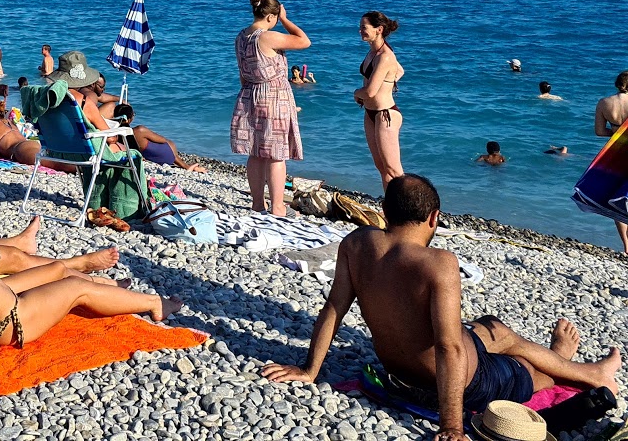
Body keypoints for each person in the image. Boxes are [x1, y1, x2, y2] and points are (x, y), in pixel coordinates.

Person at [263, 174, 620, 429]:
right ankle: (577, 369)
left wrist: (310, 370)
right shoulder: (438, 264)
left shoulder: (356, 244)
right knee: (526, 374)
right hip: (463, 382)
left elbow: (333, 310)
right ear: (434, 218)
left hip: (399, 370)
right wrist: (452, 427)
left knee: (495, 328)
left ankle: (560, 358)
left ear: (385, 212)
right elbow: (448, 347)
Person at [0, 160, 178, 387]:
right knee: (75, 287)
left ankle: (110, 284)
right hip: (7, 323)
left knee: (57, 268)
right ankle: (154, 303)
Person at [230, 0, 310, 216]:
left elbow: (242, 72)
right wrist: (285, 19)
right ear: (270, 16)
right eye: (276, 17)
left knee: (255, 152)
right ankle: (276, 206)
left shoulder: (241, 37)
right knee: (276, 154)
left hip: (249, 93)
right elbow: (304, 41)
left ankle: (257, 203)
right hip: (273, 94)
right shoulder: (267, 37)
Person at [355, 11, 405, 190]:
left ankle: (411, 209)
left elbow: (369, 91)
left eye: (364, 27)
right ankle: (392, 209)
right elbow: (400, 71)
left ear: (379, 29)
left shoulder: (385, 56)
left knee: (394, 170)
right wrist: (389, 81)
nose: (360, 31)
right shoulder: (373, 51)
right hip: (371, 114)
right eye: (360, 27)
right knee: (382, 168)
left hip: (386, 115)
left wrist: (356, 93)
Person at [109, 104, 205, 172]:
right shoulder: (139, 130)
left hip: (147, 156)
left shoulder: (114, 133)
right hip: (165, 157)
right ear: (130, 119)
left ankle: (184, 166)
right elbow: (163, 140)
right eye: (133, 115)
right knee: (168, 142)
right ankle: (186, 166)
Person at [594, 72, 628, 253]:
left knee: (618, 198)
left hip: (617, 152)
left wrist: (617, 133)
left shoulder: (604, 103)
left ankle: (626, 244)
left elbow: (599, 131)